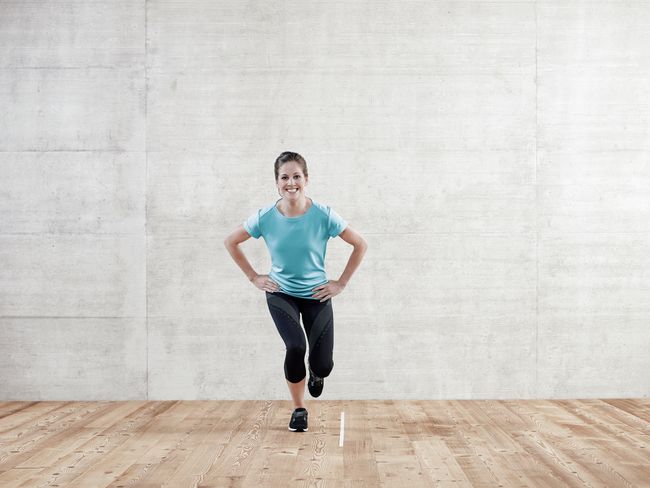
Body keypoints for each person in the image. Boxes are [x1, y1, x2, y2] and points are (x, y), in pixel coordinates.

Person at [223, 151, 368, 432]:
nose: (291, 182)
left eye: (296, 176)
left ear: (306, 179)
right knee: (295, 346)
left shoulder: (323, 214)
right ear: (277, 183)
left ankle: (316, 373)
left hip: (317, 294)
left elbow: (360, 244)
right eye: (284, 177)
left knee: (323, 365)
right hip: (281, 293)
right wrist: (254, 277)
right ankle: (299, 409)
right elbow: (231, 242)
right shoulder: (265, 217)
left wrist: (341, 283)